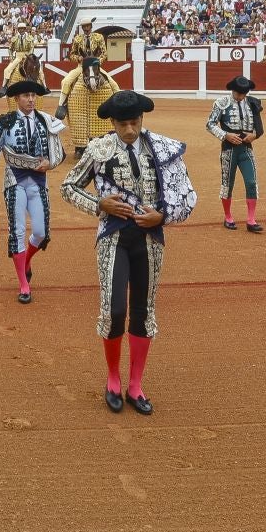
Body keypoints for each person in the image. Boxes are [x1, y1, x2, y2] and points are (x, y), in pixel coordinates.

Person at [61, 91, 197, 415]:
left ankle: (135, 385)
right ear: (112, 122)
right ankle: (112, 378)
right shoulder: (99, 149)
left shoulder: (163, 149)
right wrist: (99, 204)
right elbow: (68, 186)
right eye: (123, 124)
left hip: (149, 239)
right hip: (113, 237)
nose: (130, 131)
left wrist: (163, 215)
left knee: (143, 310)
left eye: (135, 123)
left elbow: (188, 196)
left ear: (142, 119)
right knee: (114, 309)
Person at [0, 78, 65, 303]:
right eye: (26, 96)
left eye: (33, 96)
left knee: (40, 232)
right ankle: (23, 284)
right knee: (17, 231)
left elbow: (59, 152)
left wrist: (51, 163)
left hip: (38, 181)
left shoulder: (45, 120)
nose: (30, 100)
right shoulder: (5, 121)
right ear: (16, 99)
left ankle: (26, 260)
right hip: (14, 181)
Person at [205, 74, 265, 232]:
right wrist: (226, 135)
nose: (240, 97)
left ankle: (251, 220)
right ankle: (228, 217)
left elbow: (259, 128)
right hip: (229, 149)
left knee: (251, 182)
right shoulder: (221, 103)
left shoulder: (253, 103)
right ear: (232, 90)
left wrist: (254, 135)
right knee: (228, 184)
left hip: (246, 148)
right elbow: (210, 124)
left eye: (243, 94)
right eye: (238, 93)